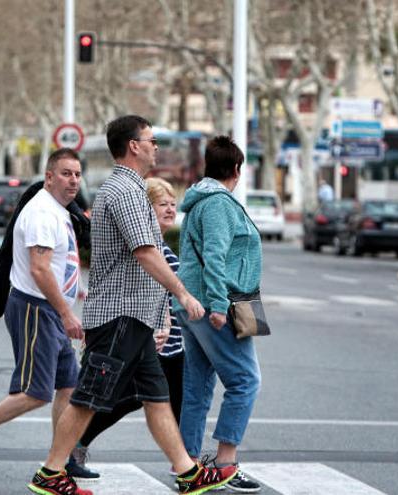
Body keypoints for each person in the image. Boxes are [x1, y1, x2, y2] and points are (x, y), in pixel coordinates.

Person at [24, 115, 235, 495]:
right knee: (89, 397)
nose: (156, 146)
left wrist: (162, 315)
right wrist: (183, 294)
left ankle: (186, 471)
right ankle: (51, 472)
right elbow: (145, 252)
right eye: (151, 140)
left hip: (135, 317)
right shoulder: (123, 191)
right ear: (134, 146)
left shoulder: (133, 190)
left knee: (157, 398)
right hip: (120, 316)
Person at [0, 149, 86, 481]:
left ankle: (61, 458)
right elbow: (39, 269)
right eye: (66, 174)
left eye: (78, 175)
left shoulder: (59, 210)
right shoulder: (42, 212)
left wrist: (73, 288)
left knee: (69, 384)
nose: (73, 181)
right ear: (49, 176)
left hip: (49, 308)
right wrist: (67, 312)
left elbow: (56, 262)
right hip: (35, 309)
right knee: (36, 391)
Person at [65, 177, 185, 482]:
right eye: (163, 205)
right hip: (136, 335)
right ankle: (61, 459)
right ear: (146, 210)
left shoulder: (159, 246)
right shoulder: (144, 248)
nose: (170, 210)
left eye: (173, 204)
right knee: (104, 399)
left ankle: (187, 465)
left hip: (162, 343)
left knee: (163, 401)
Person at [176, 136, 263, 493]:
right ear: (237, 170)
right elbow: (214, 256)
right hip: (221, 302)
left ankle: (188, 465)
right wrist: (216, 304)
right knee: (246, 380)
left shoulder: (201, 202)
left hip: (200, 302)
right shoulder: (218, 204)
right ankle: (226, 463)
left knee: (198, 386)